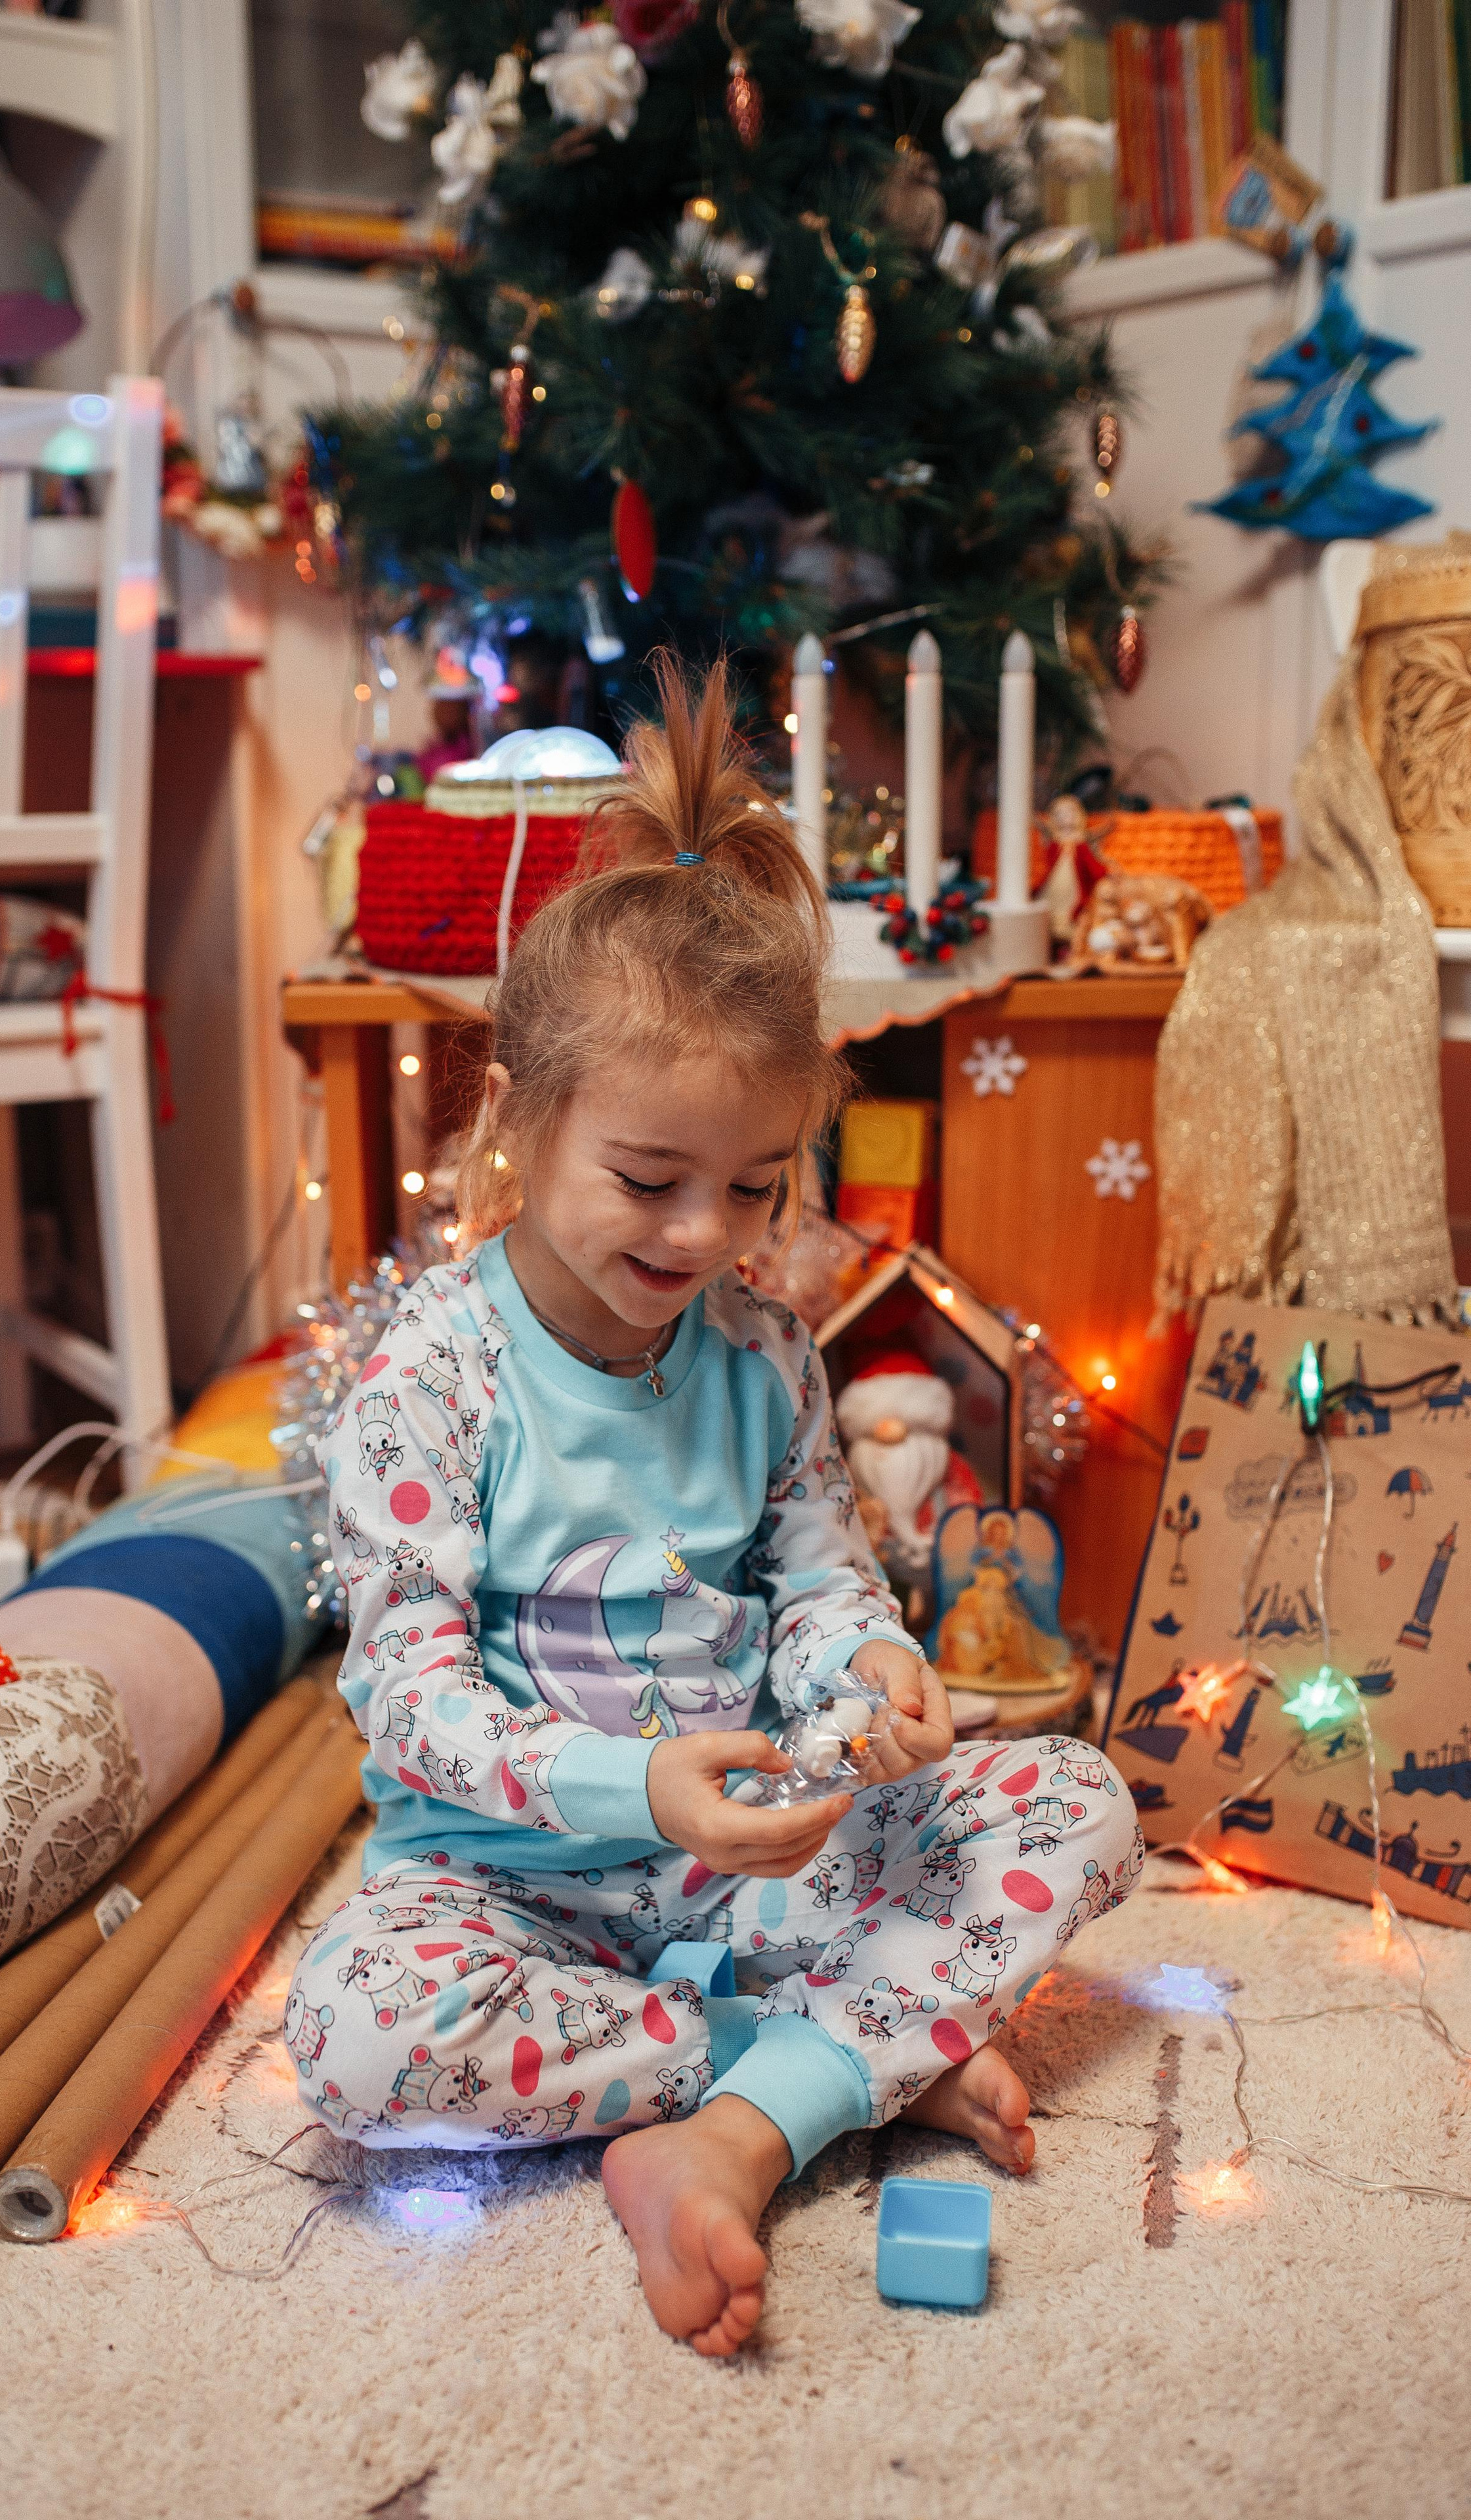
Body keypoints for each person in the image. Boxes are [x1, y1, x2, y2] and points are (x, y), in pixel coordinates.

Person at [287, 657, 1141, 2355]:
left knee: (1077, 1802)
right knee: (355, 2044)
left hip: (763, 1864)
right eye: (648, 1180)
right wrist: (637, 1790)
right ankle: (815, 2071)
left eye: (752, 1188)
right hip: (510, 1894)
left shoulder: (763, 1351)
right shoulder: (433, 1375)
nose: (701, 1236)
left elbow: (820, 1579)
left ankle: (736, 2131)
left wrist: (867, 1679)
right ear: (519, 1118)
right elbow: (410, 1700)